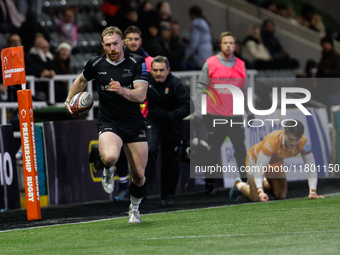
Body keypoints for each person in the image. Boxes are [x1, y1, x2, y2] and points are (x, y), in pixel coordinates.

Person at [65, 26, 148, 223]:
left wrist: (122, 91)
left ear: (123, 43)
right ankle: (107, 168)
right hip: (109, 121)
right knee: (110, 157)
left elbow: (141, 95)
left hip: (134, 123)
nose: (112, 47)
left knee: (139, 175)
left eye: (115, 43)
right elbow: (80, 81)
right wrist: (69, 100)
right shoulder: (95, 63)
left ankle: (134, 209)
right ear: (103, 46)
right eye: (108, 44)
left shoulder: (136, 62)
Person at [194, 31, 248, 194]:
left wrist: (248, 110)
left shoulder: (241, 65)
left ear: (235, 46)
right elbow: (201, 90)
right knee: (213, 150)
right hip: (214, 115)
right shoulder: (210, 63)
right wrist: (198, 112)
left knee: (240, 148)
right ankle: (209, 183)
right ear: (220, 45)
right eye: (225, 43)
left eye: (231, 43)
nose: (228, 46)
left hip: (234, 115)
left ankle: (246, 182)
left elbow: (244, 91)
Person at [109, 25, 153, 203]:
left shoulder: (150, 62)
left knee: (140, 156)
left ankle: (140, 188)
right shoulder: (117, 59)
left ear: (141, 41)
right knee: (118, 151)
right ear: (123, 41)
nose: (133, 42)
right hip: (121, 113)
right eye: (129, 39)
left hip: (145, 113)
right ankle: (122, 187)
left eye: (136, 39)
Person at [229, 120, 325, 202]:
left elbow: (311, 167)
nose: (293, 143)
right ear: (285, 133)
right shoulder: (272, 142)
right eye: (291, 139)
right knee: (256, 198)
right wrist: (261, 192)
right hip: (255, 160)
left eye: (297, 139)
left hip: (275, 162)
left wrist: (313, 191)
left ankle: (263, 180)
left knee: (280, 195)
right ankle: (239, 184)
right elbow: (259, 169)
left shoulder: (303, 143)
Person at [144, 56, 191, 205]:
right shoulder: (146, 82)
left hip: (173, 124)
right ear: (151, 70)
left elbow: (188, 107)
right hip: (154, 122)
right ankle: (143, 190)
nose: (158, 73)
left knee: (170, 159)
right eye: (155, 70)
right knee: (150, 149)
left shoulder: (176, 84)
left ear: (168, 70)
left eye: (161, 70)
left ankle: (166, 194)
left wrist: (170, 115)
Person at [183, 5, 213, 70]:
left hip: (200, 56)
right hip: (208, 55)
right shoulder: (205, 23)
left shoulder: (196, 24)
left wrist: (185, 56)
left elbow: (194, 43)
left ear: (192, 14)